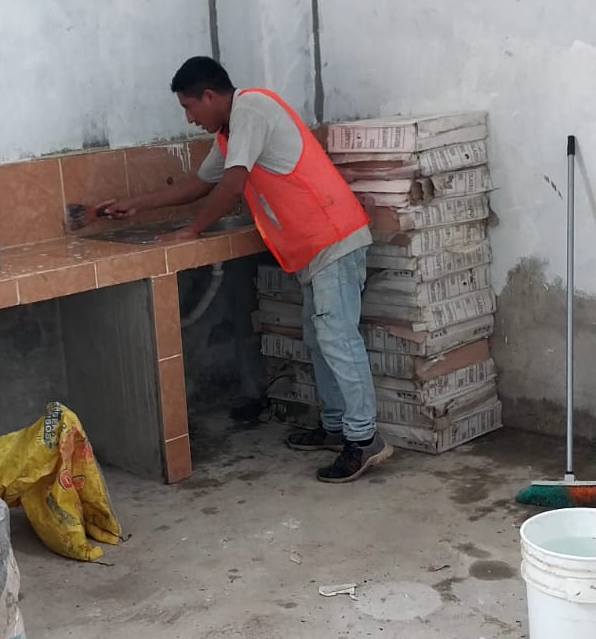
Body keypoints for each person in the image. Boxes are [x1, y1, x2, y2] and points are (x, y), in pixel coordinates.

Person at [99, 57, 392, 483]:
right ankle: (335, 425)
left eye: (189, 108)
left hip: (333, 238)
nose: (189, 118)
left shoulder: (251, 109)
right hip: (315, 247)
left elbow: (232, 184)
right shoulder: (230, 133)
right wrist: (136, 204)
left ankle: (364, 440)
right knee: (321, 339)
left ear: (209, 96)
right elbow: (200, 184)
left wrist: (193, 230)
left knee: (338, 340)